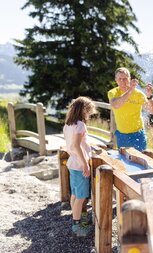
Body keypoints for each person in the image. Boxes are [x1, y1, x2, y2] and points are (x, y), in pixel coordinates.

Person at [63, 96, 97, 237]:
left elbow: (76, 144)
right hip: (78, 165)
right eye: (89, 111)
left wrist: (89, 147)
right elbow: (76, 145)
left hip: (72, 163)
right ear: (84, 110)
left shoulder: (68, 125)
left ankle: (75, 218)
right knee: (81, 197)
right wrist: (85, 165)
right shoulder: (80, 125)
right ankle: (77, 226)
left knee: (75, 194)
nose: (89, 114)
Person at [108, 67, 153, 151]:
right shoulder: (113, 92)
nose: (122, 81)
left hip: (138, 134)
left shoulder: (138, 94)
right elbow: (116, 105)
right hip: (122, 135)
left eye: (125, 79)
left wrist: (149, 97)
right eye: (120, 79)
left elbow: (152, 111)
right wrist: (130, 90)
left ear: (129, 79)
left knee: (141, 160)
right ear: (116, 80)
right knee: (124, 162)